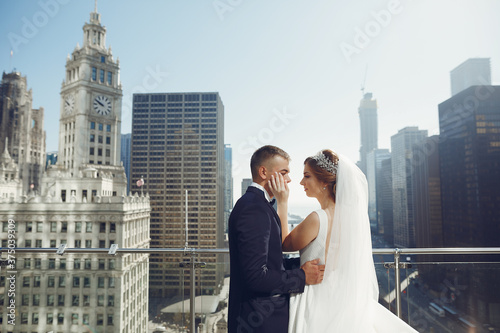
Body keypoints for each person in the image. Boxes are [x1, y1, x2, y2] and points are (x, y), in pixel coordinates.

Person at [269, 149, 419, 332]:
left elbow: (284, 244)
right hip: (343, 296)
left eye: (307, 176)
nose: (301, 182)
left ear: (324, 181)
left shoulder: (317, 218)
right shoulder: (351, 218)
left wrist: (282, 202)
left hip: (315, 295)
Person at [228, 145, 325, 333]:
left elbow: (270, 262)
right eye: (284, 172)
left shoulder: (259, 205)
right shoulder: (253, 209)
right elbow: (255, 277)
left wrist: (306, 262)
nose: (289, 179)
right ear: (263, 172)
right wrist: (302, 276)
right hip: (259, 322)